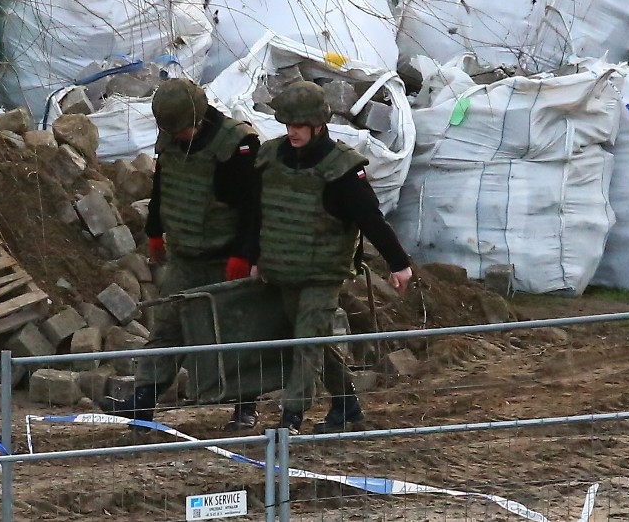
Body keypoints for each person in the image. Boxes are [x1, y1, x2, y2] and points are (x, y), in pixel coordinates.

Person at [99, 78, 261, 430]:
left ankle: (245, 408)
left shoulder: (237, 145)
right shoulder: (172, 137)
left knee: (235, 333)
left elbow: (254, 206)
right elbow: (164, 185)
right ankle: (142, 404)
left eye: (183, 130)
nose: (177, 137)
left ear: (199, 119)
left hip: (226, 257)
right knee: (167, 330)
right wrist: (155, 231)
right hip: (186, 256)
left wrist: (245, 254)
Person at [252, 80, 413, 435]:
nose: (292, 133)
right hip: (283, 270)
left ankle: (289, 421)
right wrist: (254, 256)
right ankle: (347, 406)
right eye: (288, 126)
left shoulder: (340, 169)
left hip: (322, 274)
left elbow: (370, 218)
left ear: (318, 125)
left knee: (306, 341)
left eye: (299, 127)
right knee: (316, 339)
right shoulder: (272, 158)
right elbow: (258, 213)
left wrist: (399, 264)